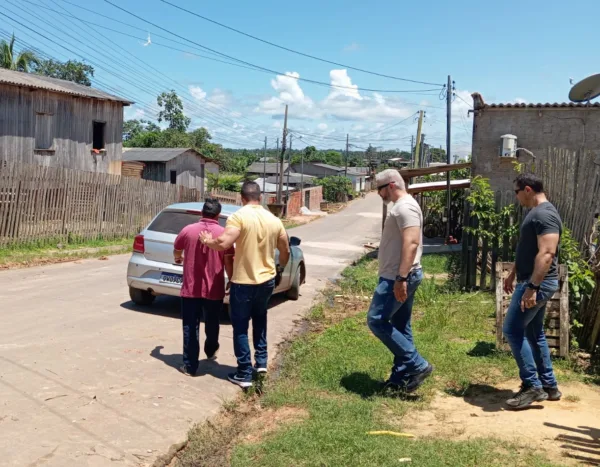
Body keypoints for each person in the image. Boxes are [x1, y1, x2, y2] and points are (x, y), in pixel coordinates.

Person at [200, 181, 290, 388]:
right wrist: (280, 269)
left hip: (243, 282)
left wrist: (207, 241)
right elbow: (285, 249)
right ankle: (261, 363)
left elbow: (223, 243)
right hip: (266, 280)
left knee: (240, 327)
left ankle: (244, 373)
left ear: (242, 198)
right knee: (260, 319)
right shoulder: (274, 220)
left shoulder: (238, 217)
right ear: (261, 197)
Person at [368, 169, 432, 393]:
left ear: (392, 185)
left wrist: (401, 278)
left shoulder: (405, 207)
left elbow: (412, 242)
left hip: (398, 276)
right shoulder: (401, 207)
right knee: (400, 325)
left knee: (376, 320)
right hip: (398, 275)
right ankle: (401, 378)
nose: (379, 194)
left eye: (380, 189)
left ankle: (417, 365)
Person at [503, 173, 562, 409]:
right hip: (531, 279)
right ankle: (549, 386)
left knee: (513, 330)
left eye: (516, 192)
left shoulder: (545, 214)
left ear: (527, 190)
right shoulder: (536, 213)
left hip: (539, 282)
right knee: (534, 332)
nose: (516, 197)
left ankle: (532, 386)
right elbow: (530, 249)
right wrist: (514, 272)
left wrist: (532, 287)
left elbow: (547, 253)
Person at [173, 198, 234, 376]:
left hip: (191, 288)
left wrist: (178, 258)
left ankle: (190, 366)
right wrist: (231, 278)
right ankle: (211, 348)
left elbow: (177, 248)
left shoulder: (188, 230)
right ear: (218, 215)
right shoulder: (223, 234)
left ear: (202, 212)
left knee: (190, 326)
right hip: (214, 288)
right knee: (212, 321)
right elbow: (229, 260)